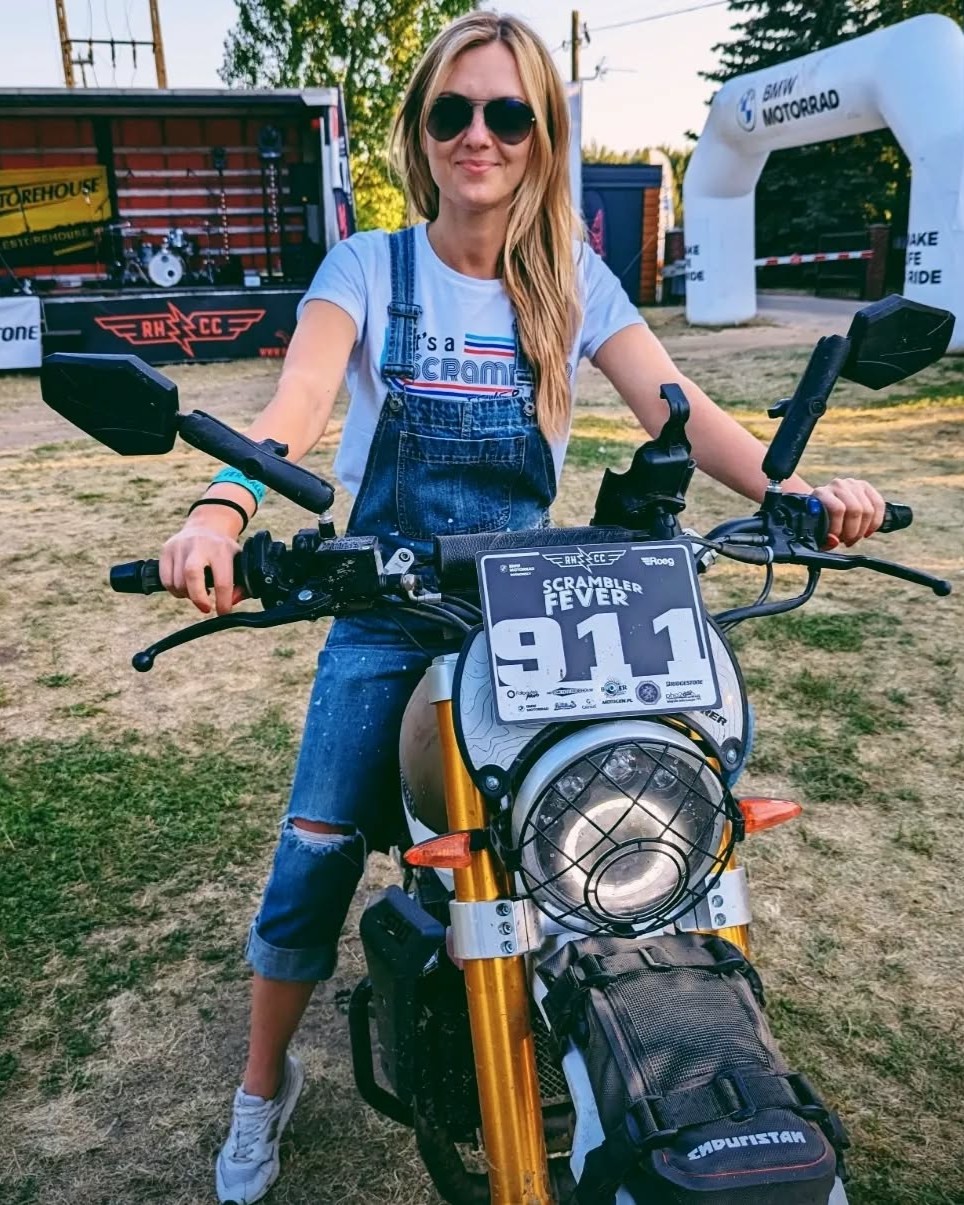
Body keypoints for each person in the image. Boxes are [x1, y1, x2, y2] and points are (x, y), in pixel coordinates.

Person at [159, 12, 886, 1204]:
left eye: (508, 113)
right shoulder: (369, 269)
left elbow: (682, 409)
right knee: (317, 849)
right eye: (453, 111)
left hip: (532, 614)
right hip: (390, 603)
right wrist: (219, 507)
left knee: (636, 827)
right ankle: (262, 1082)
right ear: (420, 132)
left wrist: (798, 494)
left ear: (543, 136)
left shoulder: (572, 283)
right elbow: (292, 405)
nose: (479, 135)